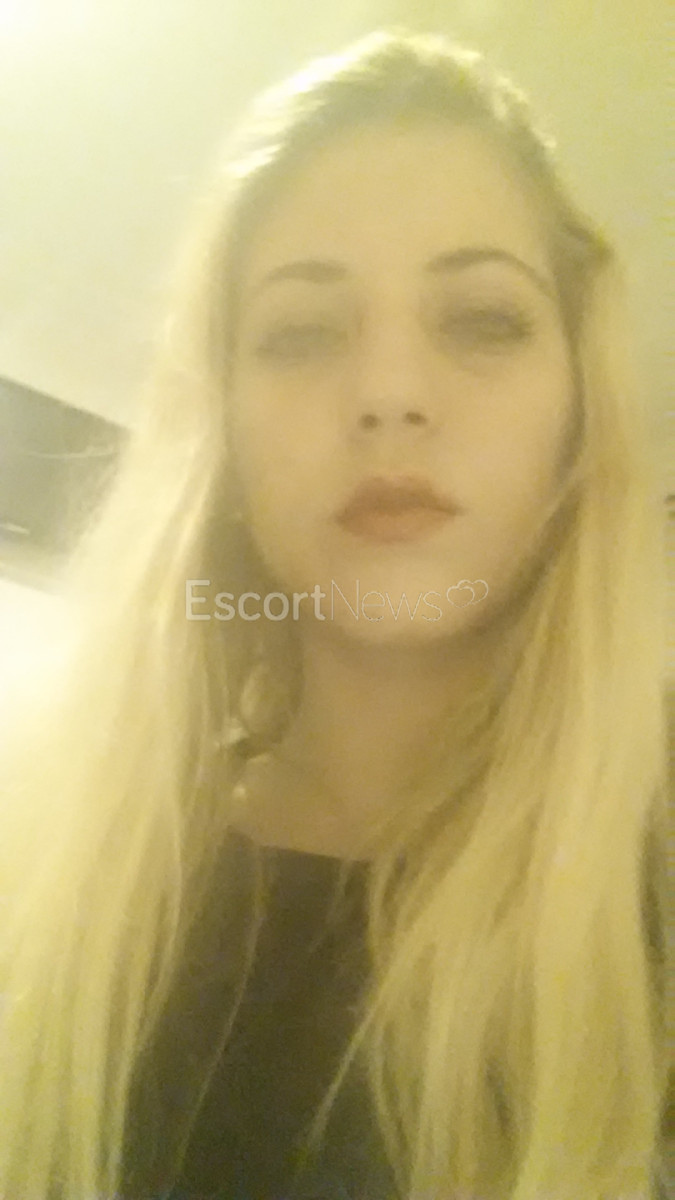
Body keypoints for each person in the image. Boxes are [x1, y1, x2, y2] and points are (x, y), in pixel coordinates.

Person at [0, 27, 670, 1200]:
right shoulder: (47, 872)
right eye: (301, 332)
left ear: (579, 411)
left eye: (483, 319)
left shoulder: (647, 888)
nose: (389, 394)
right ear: (222, 431)